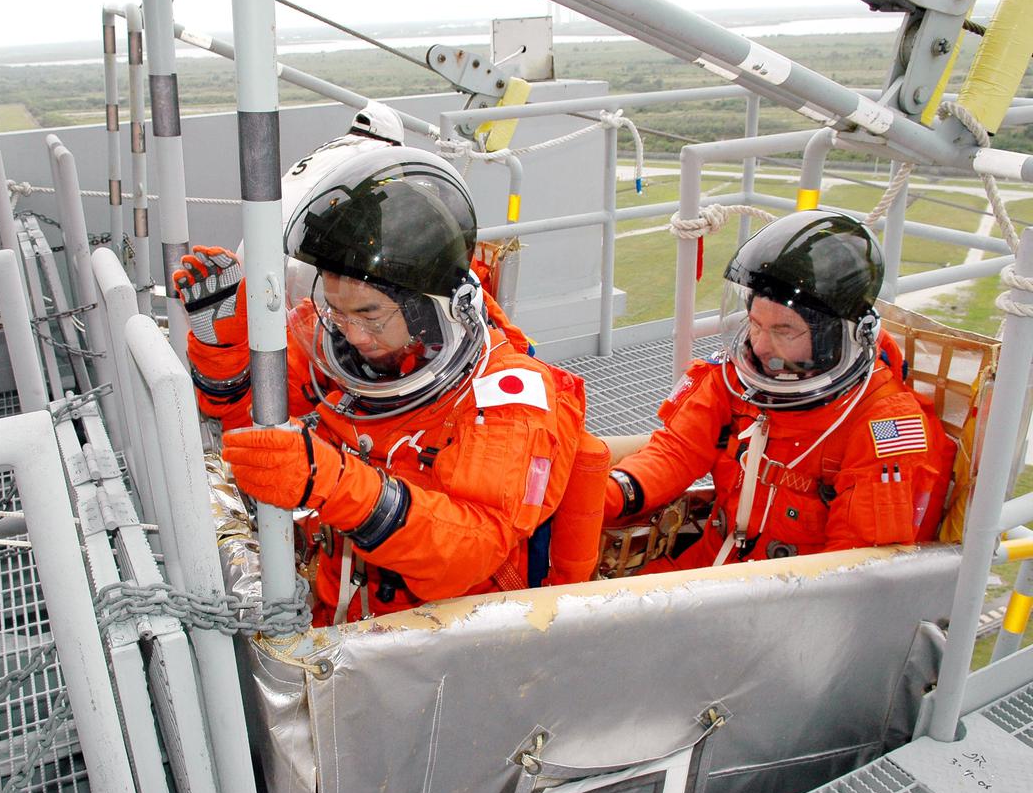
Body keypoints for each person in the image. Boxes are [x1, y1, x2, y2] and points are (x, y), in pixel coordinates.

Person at [176, 146, 608, 624]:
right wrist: (224, 349)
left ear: (429, 307)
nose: (354, 335)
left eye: (370, 315)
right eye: (338, 310)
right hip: (344, 615)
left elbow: (474, 551)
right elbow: (255, 434)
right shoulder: (336, 337)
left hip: (448, 636)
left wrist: (335, 484)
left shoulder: (507, 400)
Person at [604, 210, 956, 571]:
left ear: (832, 336)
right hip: (713, 561)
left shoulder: (881, 426)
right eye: (756, 324)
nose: (761, 346)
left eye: (785, 331)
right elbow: (677, 452)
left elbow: (853, 571)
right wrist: (613, 494)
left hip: (794, 597)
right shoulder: (733, 377)